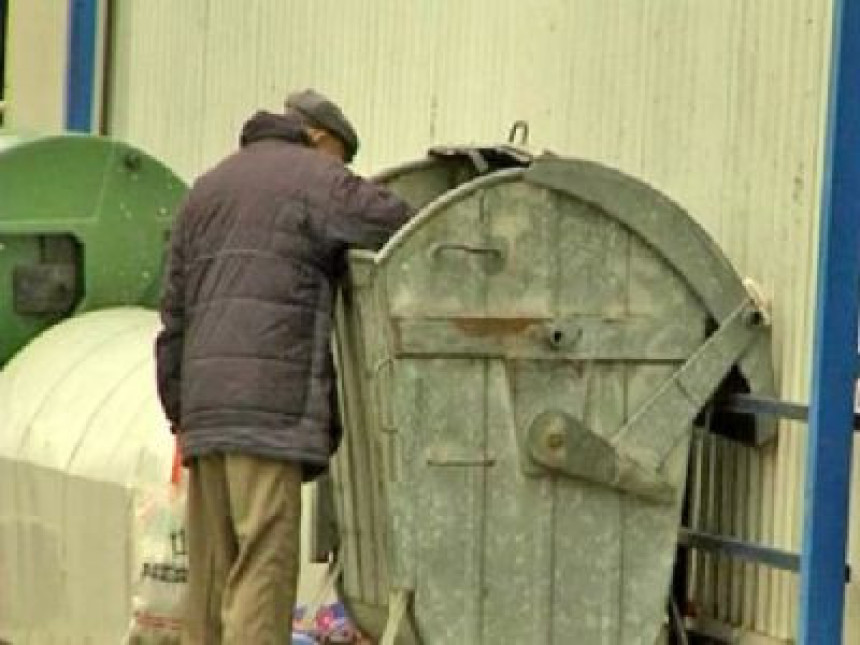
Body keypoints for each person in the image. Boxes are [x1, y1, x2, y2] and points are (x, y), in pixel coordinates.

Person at [154, 89, 413, 644]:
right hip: (266, 411)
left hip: (205, 414)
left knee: (212, 579)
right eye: (342, 159)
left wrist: (182, 412)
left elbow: (172, 315)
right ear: (320, 140)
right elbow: (398, 221)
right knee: (261, 572)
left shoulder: (207, 189)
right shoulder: (314, 178)